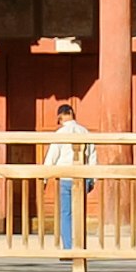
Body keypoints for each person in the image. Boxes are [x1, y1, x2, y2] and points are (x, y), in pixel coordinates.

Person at [49, 101, 91, 252]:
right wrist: (93, 178)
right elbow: (92, 155)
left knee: (66, 213)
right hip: (83, 175)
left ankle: (68, 247)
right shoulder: (84, 131)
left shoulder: (60, 133)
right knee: (79, 212)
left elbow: (52, 156)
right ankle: (80, 245)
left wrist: (45, 176)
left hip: (66, 176)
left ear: (60, 117)